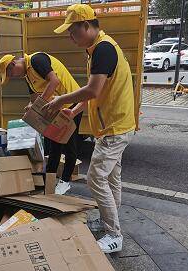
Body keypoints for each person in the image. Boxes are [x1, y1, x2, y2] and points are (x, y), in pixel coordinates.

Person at [44, 4, 136, 253]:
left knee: (95, 178)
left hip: (114, 128)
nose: (70, 37)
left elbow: (93, 90)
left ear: (86, 26)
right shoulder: (98, 48)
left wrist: (60, 100)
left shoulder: (104, 50)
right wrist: (74, 111)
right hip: (116, 125)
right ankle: (111, 223)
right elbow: (96, 90)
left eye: (72, 31)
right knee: (112, 178)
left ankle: (114, 234)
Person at [0, 52, 82, 195]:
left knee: (69, 145)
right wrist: (30, 108)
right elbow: (33, 98)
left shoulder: (37, 60)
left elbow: (54, 81)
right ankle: (48, 181)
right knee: (52, 145)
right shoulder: (27, 76)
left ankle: (65, 181)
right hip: (56, 107)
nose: (13, 77)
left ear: (13, 64)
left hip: (72, 104)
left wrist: (37, 105)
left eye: (11, 74)